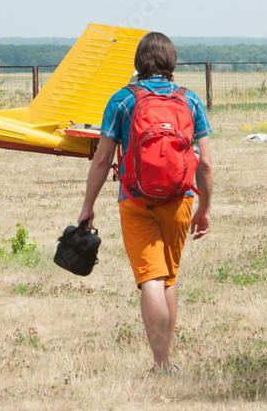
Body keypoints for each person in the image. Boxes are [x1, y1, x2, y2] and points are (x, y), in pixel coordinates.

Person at [77, 32, 213, 373]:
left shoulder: (122, 100)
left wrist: (87, 206)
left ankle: (161, 363)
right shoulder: (191, 101)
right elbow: (206, 163)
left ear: (139, 62)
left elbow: (102, 159)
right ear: (171, 62)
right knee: (168, 279)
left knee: (150, 279)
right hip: (180, 198)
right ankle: (166, 363)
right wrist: (205, 208)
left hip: (135, 199)